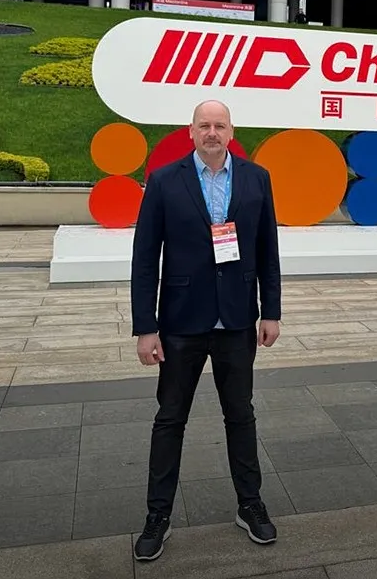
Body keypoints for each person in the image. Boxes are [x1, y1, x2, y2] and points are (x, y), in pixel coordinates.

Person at [130, 100, 282, 561]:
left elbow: (268, 249)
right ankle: (158, 516)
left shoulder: (256, 178)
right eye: (204, 125)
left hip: (237, 320)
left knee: (241, 415)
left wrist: (271, 311)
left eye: (219, 125)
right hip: (181, 323)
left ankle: (250, 505)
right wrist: (145, 327)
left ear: (231, 131)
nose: (212, 132)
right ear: (191, 132)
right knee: (170, 419)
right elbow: (144, 258)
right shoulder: (163, 180)